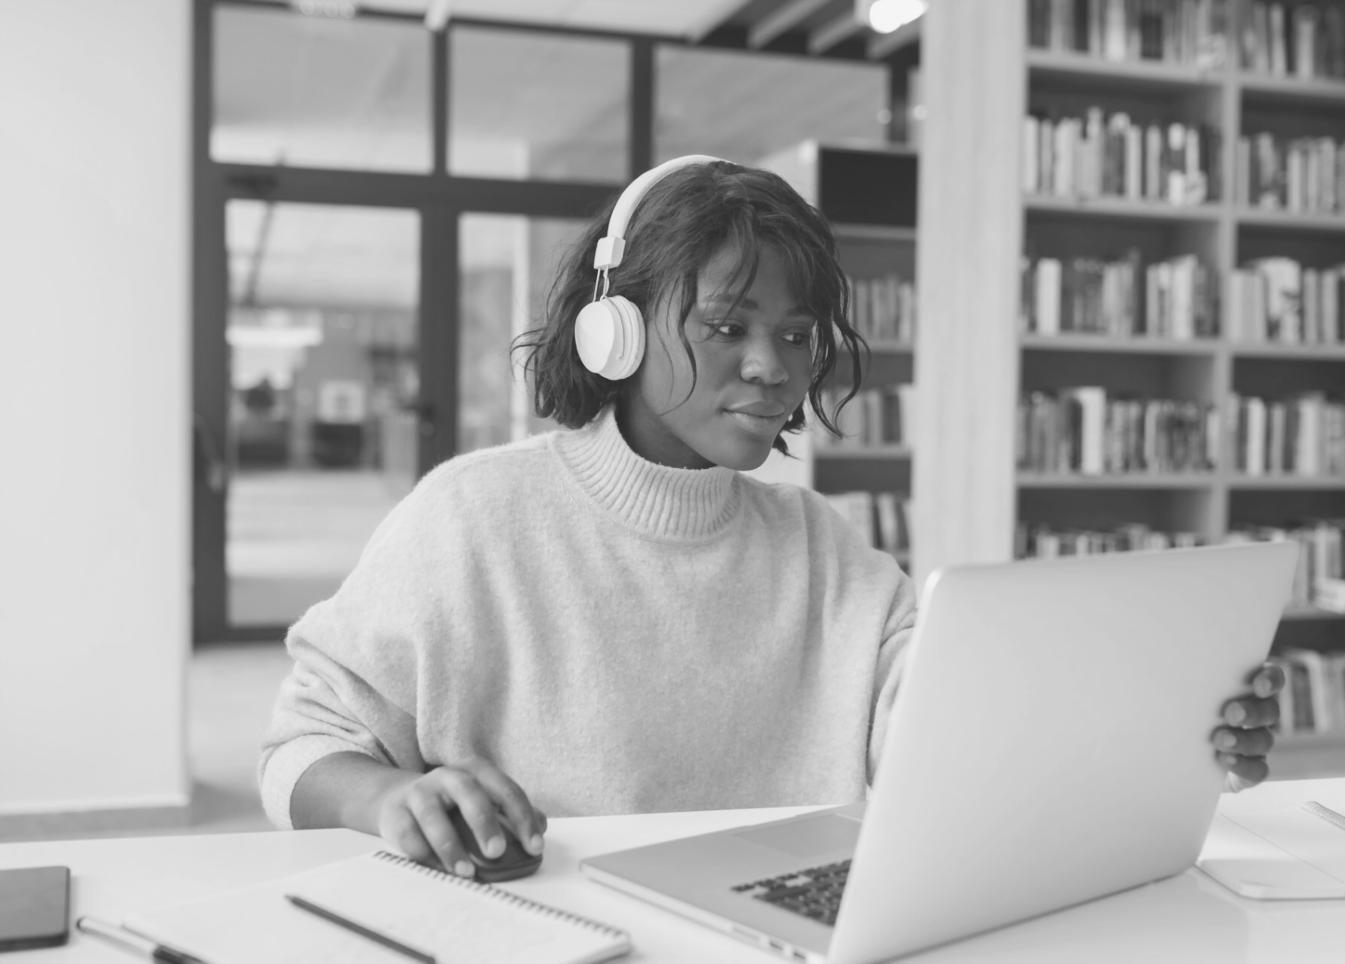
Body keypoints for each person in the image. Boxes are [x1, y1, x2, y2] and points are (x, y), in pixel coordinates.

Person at [259, 155, 1284, 881]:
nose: (774, 365)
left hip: (787, 926)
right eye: (726, 325)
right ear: (610, 331)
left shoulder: (824, 547)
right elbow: (302, 744)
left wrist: (1167, 733)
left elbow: (946, 738)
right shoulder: (472, 517)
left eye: (796, 333)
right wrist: (381, 799)